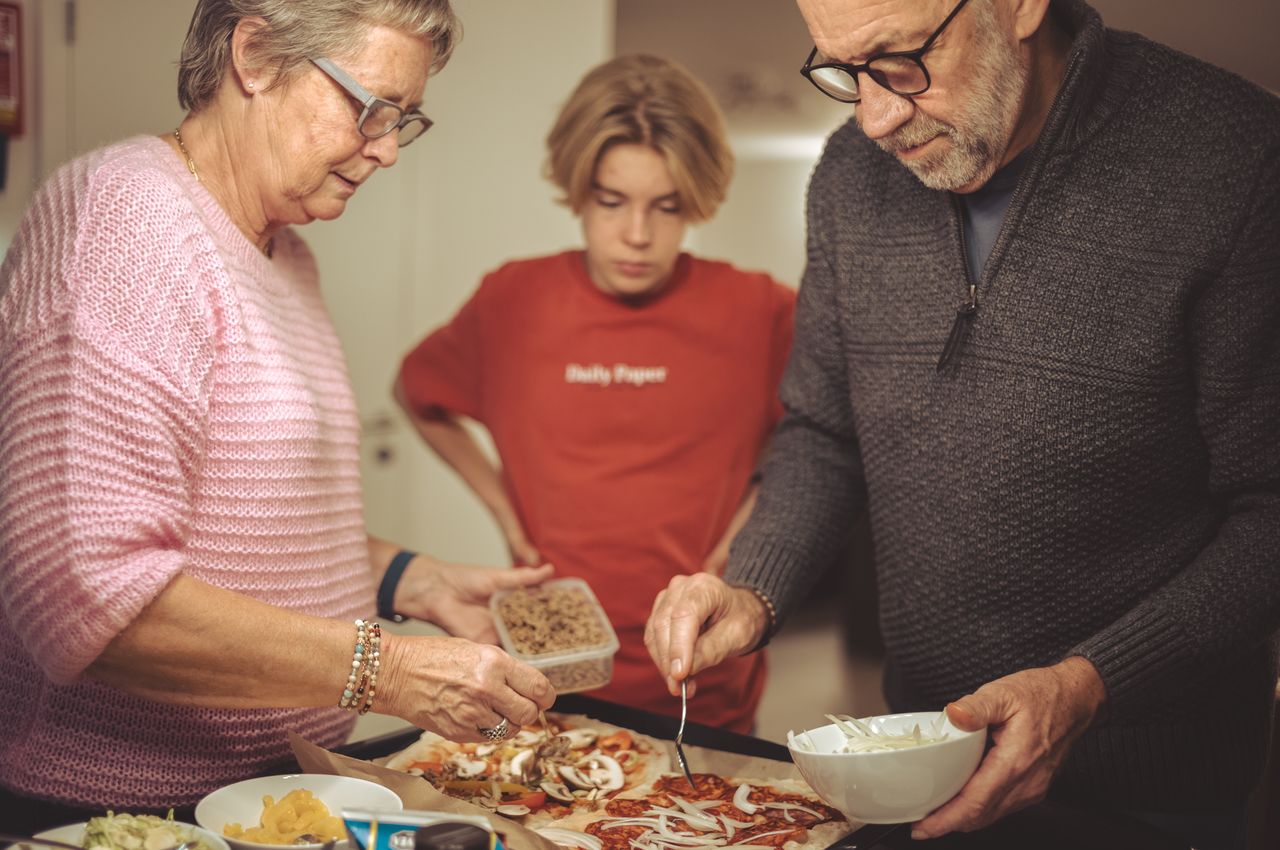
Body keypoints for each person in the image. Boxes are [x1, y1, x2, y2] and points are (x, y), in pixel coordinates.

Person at [644, 1, 1279, 848]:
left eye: (899, 59)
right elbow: (823, 433)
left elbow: (1270, 508)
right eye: (840, 69)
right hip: (925, 761)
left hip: (1156, 791)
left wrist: (1087, 685)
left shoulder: (1236, 157)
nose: (872, 118)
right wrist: (754, 586)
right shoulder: (846, 177)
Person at [0, 0, 558, 830]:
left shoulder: (285, 253)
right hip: (122, 811)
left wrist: (415, 579)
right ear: (255, 56)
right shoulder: (124, 221)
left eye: (405, 120)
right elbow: (91, 595)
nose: (388, 149)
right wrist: (390, 673)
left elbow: (242, 528)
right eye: (371, 108)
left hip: (268, 794)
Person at [394, 55, 795, 734]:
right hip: (548, 668)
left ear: (695, 200)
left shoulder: (761, 311)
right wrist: (506, 512)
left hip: (702, 675)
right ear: (579, 190)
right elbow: (418, 394)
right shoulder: (512, 299)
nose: (637, 235)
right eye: (612, 202)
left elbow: (818, 449)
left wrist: (745, 538)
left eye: (666, 207)